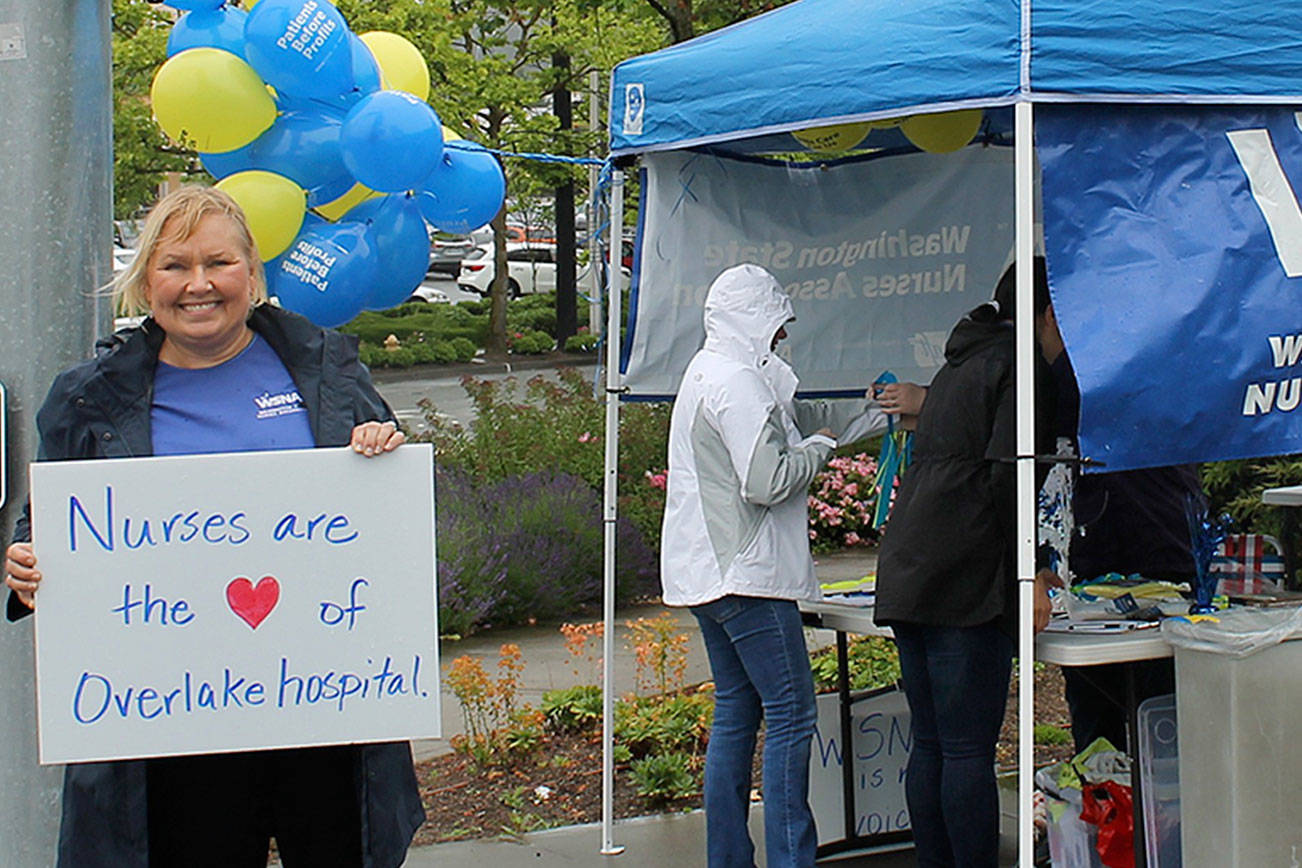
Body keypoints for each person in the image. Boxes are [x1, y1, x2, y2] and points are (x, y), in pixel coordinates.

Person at [3, 186, 424, 868]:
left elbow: (372, 524)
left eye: (218, 263)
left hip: (320, 713)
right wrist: (26, 565)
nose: (198, 284)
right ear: (145, 282)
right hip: (169, 728)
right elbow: (49, 522)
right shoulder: (90, 395)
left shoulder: (324, 371)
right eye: (174, 266)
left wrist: (380, 449)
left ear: (252, 273)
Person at [660, 263, 888, 867]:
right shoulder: (736, 382)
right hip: (748, 577)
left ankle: (729, 858)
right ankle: (793, 858)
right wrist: (818, 451)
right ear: (754, 320)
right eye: (778, 325)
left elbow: (791, 422)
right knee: (791, 712)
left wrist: (860, 417)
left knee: (737, 709)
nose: (783, 337)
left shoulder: (708, 370)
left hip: (708, 575)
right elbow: (767, 480)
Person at [873, 259, 1057, 868]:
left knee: (932, 744)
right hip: (963, 578)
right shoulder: (1020, 365)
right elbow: (1011, 472)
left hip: (912, 565)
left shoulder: (962, 360)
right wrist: (1028, 571)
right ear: (1047, 312)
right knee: (966, 751)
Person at [1033, 300, 1202, 753]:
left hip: (1126, 563)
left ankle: (1109, 808)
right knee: (1158, 723)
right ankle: (1133, 810)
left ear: (1050, 314)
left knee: (1112, 721)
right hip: (1168, 550)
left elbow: (1030, 439)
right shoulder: (1148, 360)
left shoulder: (1076, 376)